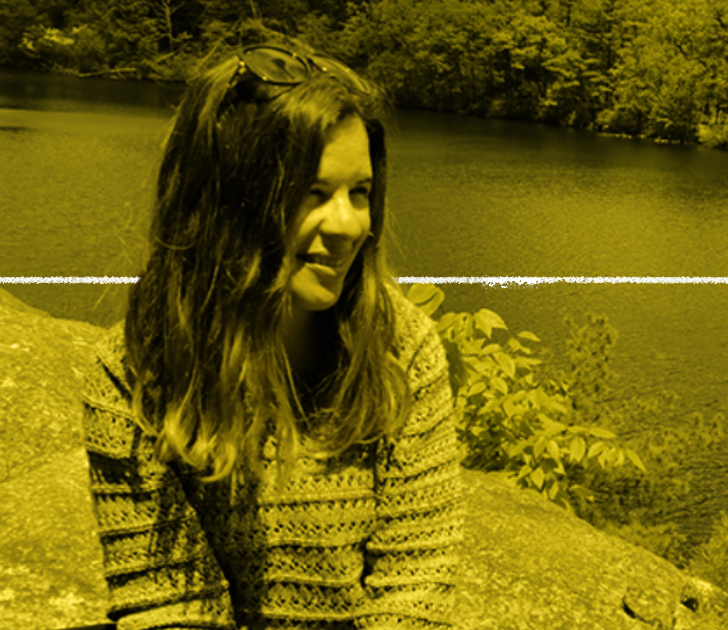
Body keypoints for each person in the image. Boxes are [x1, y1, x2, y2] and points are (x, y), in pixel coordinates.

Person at [81, 44, 462, 629]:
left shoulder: (399, 347)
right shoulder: (136, 372)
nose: (350, 224)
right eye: (312, 193)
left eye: (360, 192)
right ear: (227, 201)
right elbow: (167, 608)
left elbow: (418, 586)